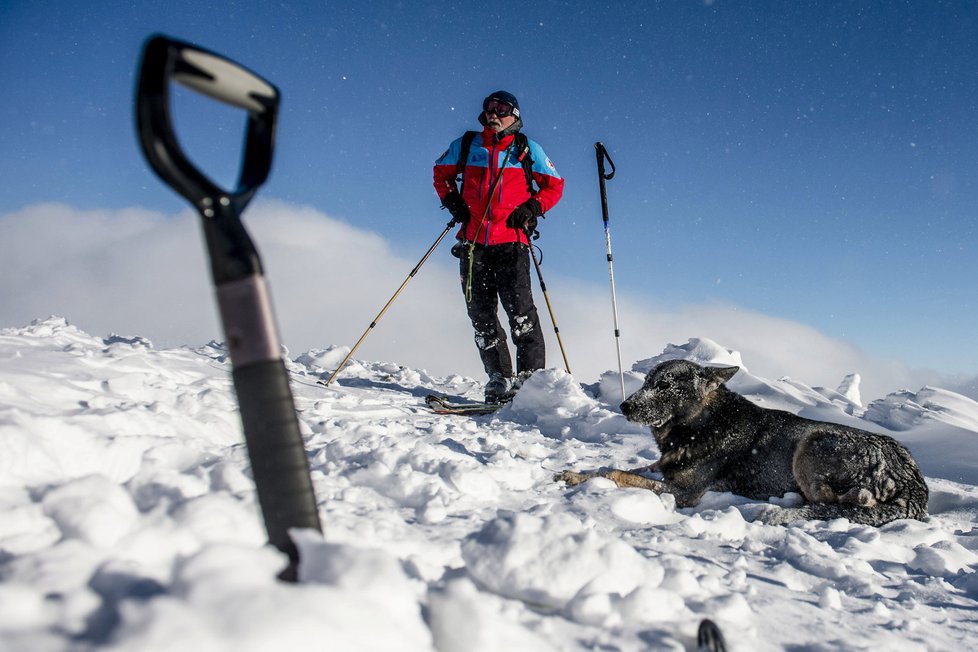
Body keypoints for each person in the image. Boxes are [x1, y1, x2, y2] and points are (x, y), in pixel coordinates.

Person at [433, 91, 564, 402]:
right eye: (489, 108)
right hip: (473, 244)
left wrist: (533, 207)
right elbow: (441, 173)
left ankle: (530, 382)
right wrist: (452, 201)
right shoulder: (467, 145)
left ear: (514, 116)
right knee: (481, 315)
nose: (493, 113)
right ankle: (498, 377)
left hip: (512, 244)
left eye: (501, 109)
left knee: (521, 314)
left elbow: (555, 185)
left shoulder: (526, 148)